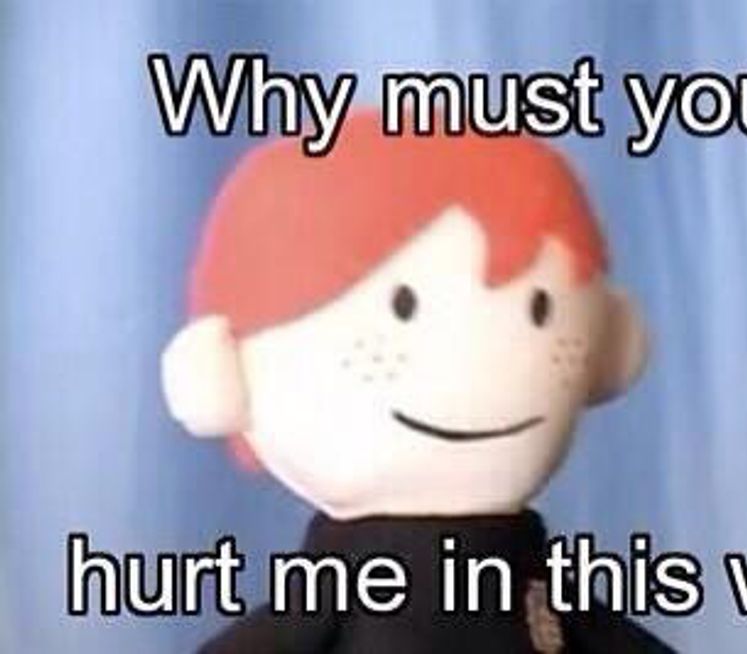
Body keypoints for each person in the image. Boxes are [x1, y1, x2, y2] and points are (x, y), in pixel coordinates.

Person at [162, 110, 673, 653]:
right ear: (220, 379)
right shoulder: (335, 590)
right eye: (402, 306)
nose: (474, 355)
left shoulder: (534, 583)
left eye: (539, 308)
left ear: (609, 348)